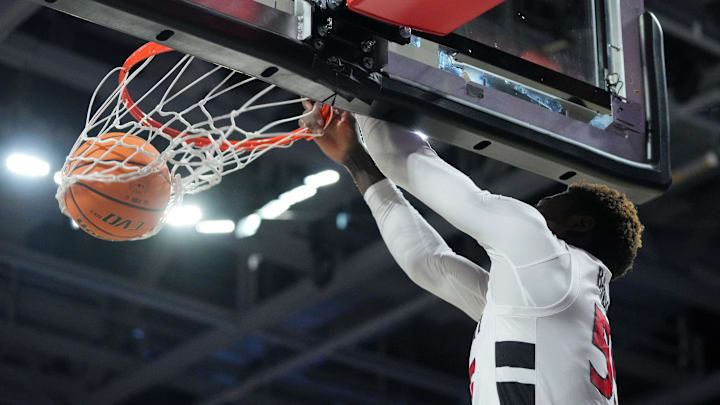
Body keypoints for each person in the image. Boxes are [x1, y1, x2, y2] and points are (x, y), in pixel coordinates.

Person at [301, 102, 644, 405]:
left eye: (555, 200)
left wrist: (356, 86)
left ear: (580, 224)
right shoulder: (553, 299)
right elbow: (429, 263)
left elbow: (399, 157)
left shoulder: (544, 255)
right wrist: (356, 159)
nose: (539, 203)